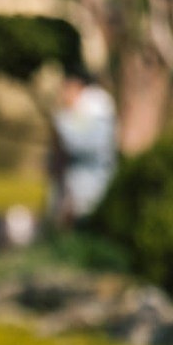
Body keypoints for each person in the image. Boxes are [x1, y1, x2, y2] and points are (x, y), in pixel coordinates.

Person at [47, 64, 119, 228]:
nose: (64, 94)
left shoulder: (95, 106)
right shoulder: (79, 112)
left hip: (91, 186)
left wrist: (62, 123)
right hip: (75, 186)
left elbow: (78, 143)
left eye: (68, 88)